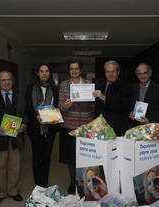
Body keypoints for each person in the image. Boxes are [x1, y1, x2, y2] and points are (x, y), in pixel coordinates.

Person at [0, 71, 27, 205]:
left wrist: (24, 125)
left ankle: (13, 191)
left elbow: (26, 113)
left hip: (16, 137)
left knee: (14, 166)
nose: (6, 82)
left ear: (12, 81)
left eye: (9, 79)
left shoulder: (20, 96)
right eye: (3, 80)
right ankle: (0, 193)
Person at [59, 58, 95, 193]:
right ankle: (72, 180)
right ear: (69, 71)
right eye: (71, 69)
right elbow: (60, 106)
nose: (74, 71)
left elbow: (93, 106)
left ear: (80, 70)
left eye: (76, 68)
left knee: (84, 156)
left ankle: (83, 182)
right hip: (68, 126)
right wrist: (65, 106)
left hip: (84, 127)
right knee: (70, 158)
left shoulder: (88, 84)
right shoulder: (64, 85)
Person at [26, 64, 59, 187]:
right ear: (38, 73)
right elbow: (28, 106)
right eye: (41, 71)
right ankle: (37, 185)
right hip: (35, 127)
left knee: (46, 157)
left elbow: (57, 107)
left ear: (49, 73)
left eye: (46, 71)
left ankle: (44, 184)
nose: (44, 73)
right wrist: (36, 116)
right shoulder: (31, 87)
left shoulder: (55, 89)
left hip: (50, 129)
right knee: (36, 157)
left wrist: (54, 117)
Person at [94, 60, 132, 136]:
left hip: (117, 129)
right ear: (105, 73)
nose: (110, 74)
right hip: (100, 128)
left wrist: (104, 98)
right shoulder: (100, 86)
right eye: (108, 72)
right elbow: (97, 107)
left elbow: (123, 106)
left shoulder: (125, 86)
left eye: (113, 71)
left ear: (118, 72)